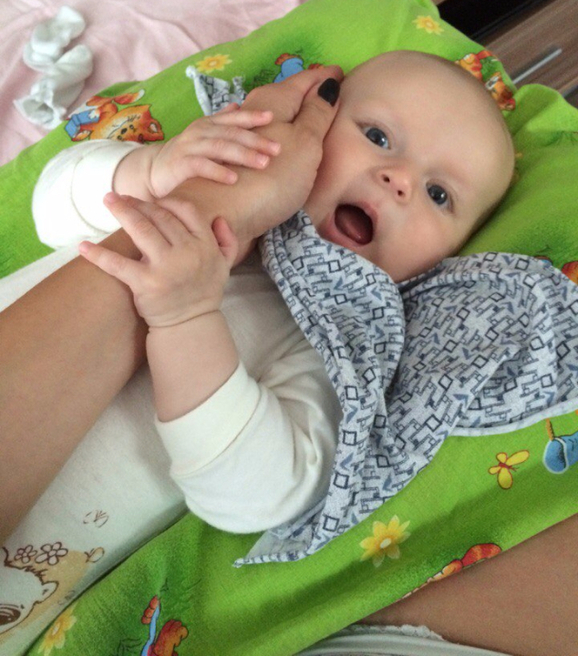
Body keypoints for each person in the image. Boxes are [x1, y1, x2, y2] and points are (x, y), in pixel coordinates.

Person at [5, 51, 574, 656]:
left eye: (439, 194)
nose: (400, 180)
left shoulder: (336, 341)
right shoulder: (209, 174)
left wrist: (186, 318)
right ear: (308, 122)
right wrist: (154, 171)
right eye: (378, 137)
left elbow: (259, 493)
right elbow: (50, 208)